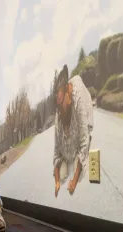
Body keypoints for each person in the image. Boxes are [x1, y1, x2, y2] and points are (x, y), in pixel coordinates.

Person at [53, 65, 94, 197]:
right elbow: (56, 151)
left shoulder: (79, 102)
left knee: (81, 172)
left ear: (68, 91)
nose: (61, 109)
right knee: (63, 171)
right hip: (68, 147)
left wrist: (74, 181)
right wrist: (57, 181)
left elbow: (83, 142)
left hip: (84, 123)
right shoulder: (59, 114)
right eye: (59, 106)